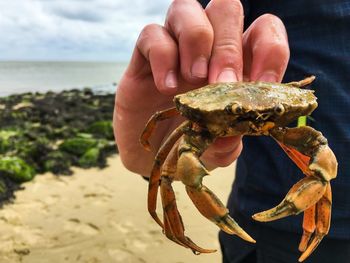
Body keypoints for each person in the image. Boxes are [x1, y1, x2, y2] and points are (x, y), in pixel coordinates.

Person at [114, 0, 350, 262]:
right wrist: (149, 161)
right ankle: (178, 231)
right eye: (239, 113)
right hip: (268, 236)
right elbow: (206, 29)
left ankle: (312, 229)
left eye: (272, 113)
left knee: (318, 172)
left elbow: (321, 174)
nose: (255, 120)